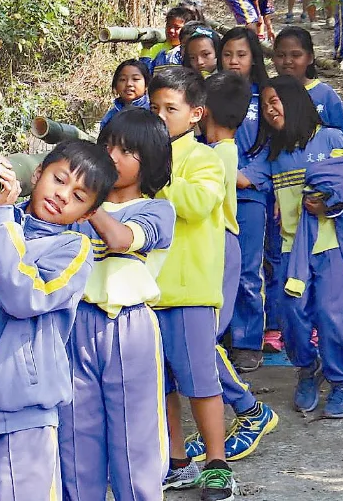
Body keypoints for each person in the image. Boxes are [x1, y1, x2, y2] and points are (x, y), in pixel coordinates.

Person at [0, 142, 117, 501]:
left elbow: (22, 297)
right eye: (59, 180)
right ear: (38, 173)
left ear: (86, 214)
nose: (62, 196)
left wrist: (2, 216)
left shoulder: (74, 251)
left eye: (78, 196)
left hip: (22, 420)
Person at [242, 76, 343, 419]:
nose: (271, 110)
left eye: (277, 102)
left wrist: (328, 199)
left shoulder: (329, 137)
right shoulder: (273, 154)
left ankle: (341, 383)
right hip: (290, 251)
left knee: (332, 318)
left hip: (332, 248)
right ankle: (307, 370)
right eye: (267, 104)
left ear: (297, 102)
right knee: (293, 320)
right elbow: (244, 178)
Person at [60, 109, 175, 501]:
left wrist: (86, 204)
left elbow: (123, 239)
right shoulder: (78, 207)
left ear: (152, 160)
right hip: (75, 325)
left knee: (135, 441)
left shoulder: (158, 210)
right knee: (76, 438)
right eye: (107, 145)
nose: (112, 155)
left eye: (127, 150)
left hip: (129, 329)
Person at [178, 72, 279, 463]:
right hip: (214, 247)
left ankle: (251, 411)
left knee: (202, 342)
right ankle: (218, 423)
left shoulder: (216, 154)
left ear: (203, 112)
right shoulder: (221, 149)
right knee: (199, 342)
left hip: (217, 247)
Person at [147, 68, 235, 500]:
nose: (161, 117)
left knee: (200, 382)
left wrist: (157, 180)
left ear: (196, 114)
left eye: (171, 109)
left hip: (190, 293)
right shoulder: (140, 155)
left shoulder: (204, 159)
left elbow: (199, 204)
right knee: (160, 384)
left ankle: (217, 464)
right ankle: (177, 461)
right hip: (146, 292)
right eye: (154, 108)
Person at [217, 27, 274, 369]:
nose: (234, 61)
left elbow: (275, 144)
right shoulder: (210, 94)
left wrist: (248, 177)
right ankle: (218, 335)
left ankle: (248, 340)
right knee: (219, 266)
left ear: (254, 58)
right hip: (214, 195)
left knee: (248, 270)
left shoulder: (264, 96)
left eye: (241, 54)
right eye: (227, 54)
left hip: (251, 196)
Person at [271, 27, 343, 138]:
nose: (287, 61)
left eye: (296, 55)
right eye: (281, 55)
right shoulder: (267, 93)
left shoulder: (326, 96)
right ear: (273, 58)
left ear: (310, 58)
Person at [141, 6, 198, 73]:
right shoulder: (160, 52)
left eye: (177, 27)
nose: (171, 30)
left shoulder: (189, 53)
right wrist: (145, 50)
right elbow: (146, 73)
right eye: (168, 26)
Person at [101, 59, 151, 128]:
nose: (129, 84)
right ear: (115, 85)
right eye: (123, 79)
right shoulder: (110, 116)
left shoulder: (152, 112)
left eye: (135, 79)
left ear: (146, 85)